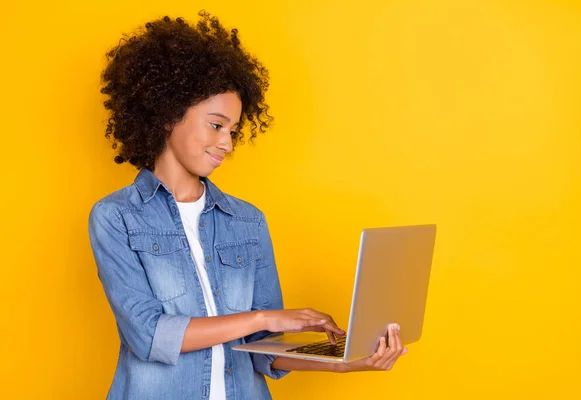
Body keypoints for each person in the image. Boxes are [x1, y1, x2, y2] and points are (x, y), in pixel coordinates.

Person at [88, 11, 407, 400]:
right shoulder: (116, 217)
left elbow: (263, 349)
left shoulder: (247, 221)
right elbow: (151, 336)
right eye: (216, 125)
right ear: (170, 115)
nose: (227, 143)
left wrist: (348, 360)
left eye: (234, 131)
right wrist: (265, 316)